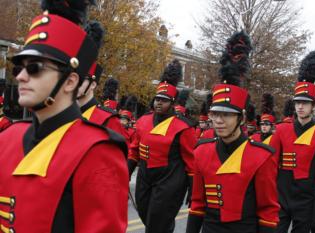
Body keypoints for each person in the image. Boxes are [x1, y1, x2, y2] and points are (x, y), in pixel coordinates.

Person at [0, 1, 128, 232]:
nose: (20, 77)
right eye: (19, 68)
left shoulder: (98, 152)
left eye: (35, 68)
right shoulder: (7, 138)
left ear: (70, 82)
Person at [186, 31, 280, 233]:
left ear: (242, 118)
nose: (218, 121)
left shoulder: (262, 156)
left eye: (226, 115)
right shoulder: (201, 152)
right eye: (215, 114)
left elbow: (268, 211)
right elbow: (197, 205)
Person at [128, 59, 196, 233]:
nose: (159, 103)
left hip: (170, 180)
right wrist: (126, 171)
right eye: (157, 99)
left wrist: (192, 187)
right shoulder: (143, 121)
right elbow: (134, 149)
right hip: (144, 175)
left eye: (164, 100)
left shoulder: (183, 126)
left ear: (172, 103)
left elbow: (191, 160)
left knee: (157, 223)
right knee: (145, 214)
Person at [273, 50, 315, 233]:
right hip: (280, 197)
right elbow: (271, 165)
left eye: (305, 103)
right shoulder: (281, 129)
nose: (300, 106)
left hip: (306, 201)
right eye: (297, 102)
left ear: (313, 106)